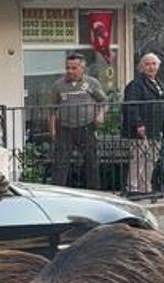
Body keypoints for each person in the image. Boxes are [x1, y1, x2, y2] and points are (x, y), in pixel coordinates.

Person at [49, 53, 108, 189]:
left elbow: (104, 101)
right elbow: (52, 109)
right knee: (60, 163)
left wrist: (101, 115)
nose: (70, 71)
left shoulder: (91, 83)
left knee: (91, 162)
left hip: (86, 126)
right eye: (68, 68)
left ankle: (95, 192)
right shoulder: (58, 85)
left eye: (74, 68)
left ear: (82, 68)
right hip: (64, 128)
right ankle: (58, 193)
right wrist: (52, 129)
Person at [122, 52, 164, 195]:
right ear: (142, 66)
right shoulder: (135, 85)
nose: (151, 67)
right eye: (147, 64)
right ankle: (133, 188)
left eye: (154, 64)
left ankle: (145, 187)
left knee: (151, 159)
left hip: (156, 127)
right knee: (138, 158)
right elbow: (131, 106)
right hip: (140, 129)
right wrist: (138, 124)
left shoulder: (159, 83)